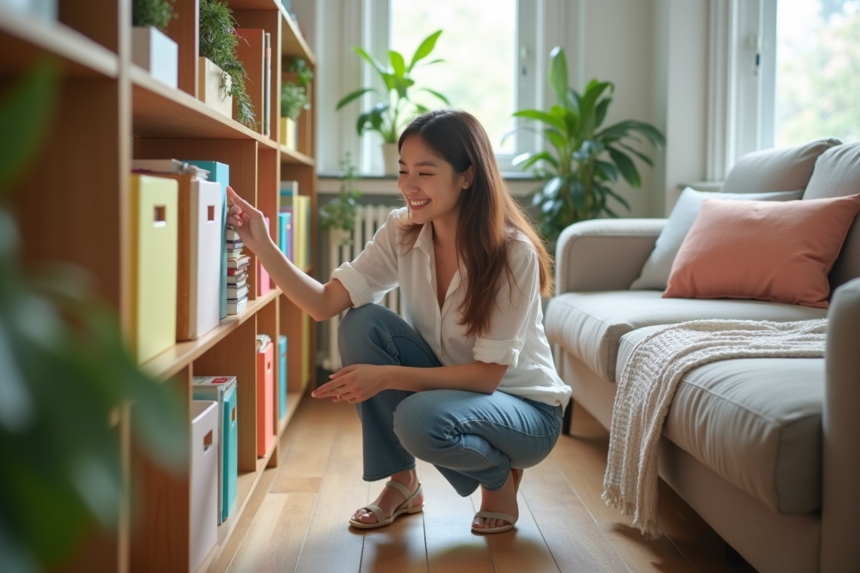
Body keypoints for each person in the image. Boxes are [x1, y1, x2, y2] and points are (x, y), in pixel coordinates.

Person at [226, 109, 571, 534]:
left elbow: (486, 378)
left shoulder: (513, 253)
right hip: (452, 392)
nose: (409, 186)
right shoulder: (402, 230)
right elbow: (323, 303)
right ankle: (402, 482)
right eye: (403, 170)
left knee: (416, 419)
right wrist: (263, 246)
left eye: (425, 172)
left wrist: (386, 377)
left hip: (524, 412)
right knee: (361, 323)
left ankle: (497, 479)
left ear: (467, 176)